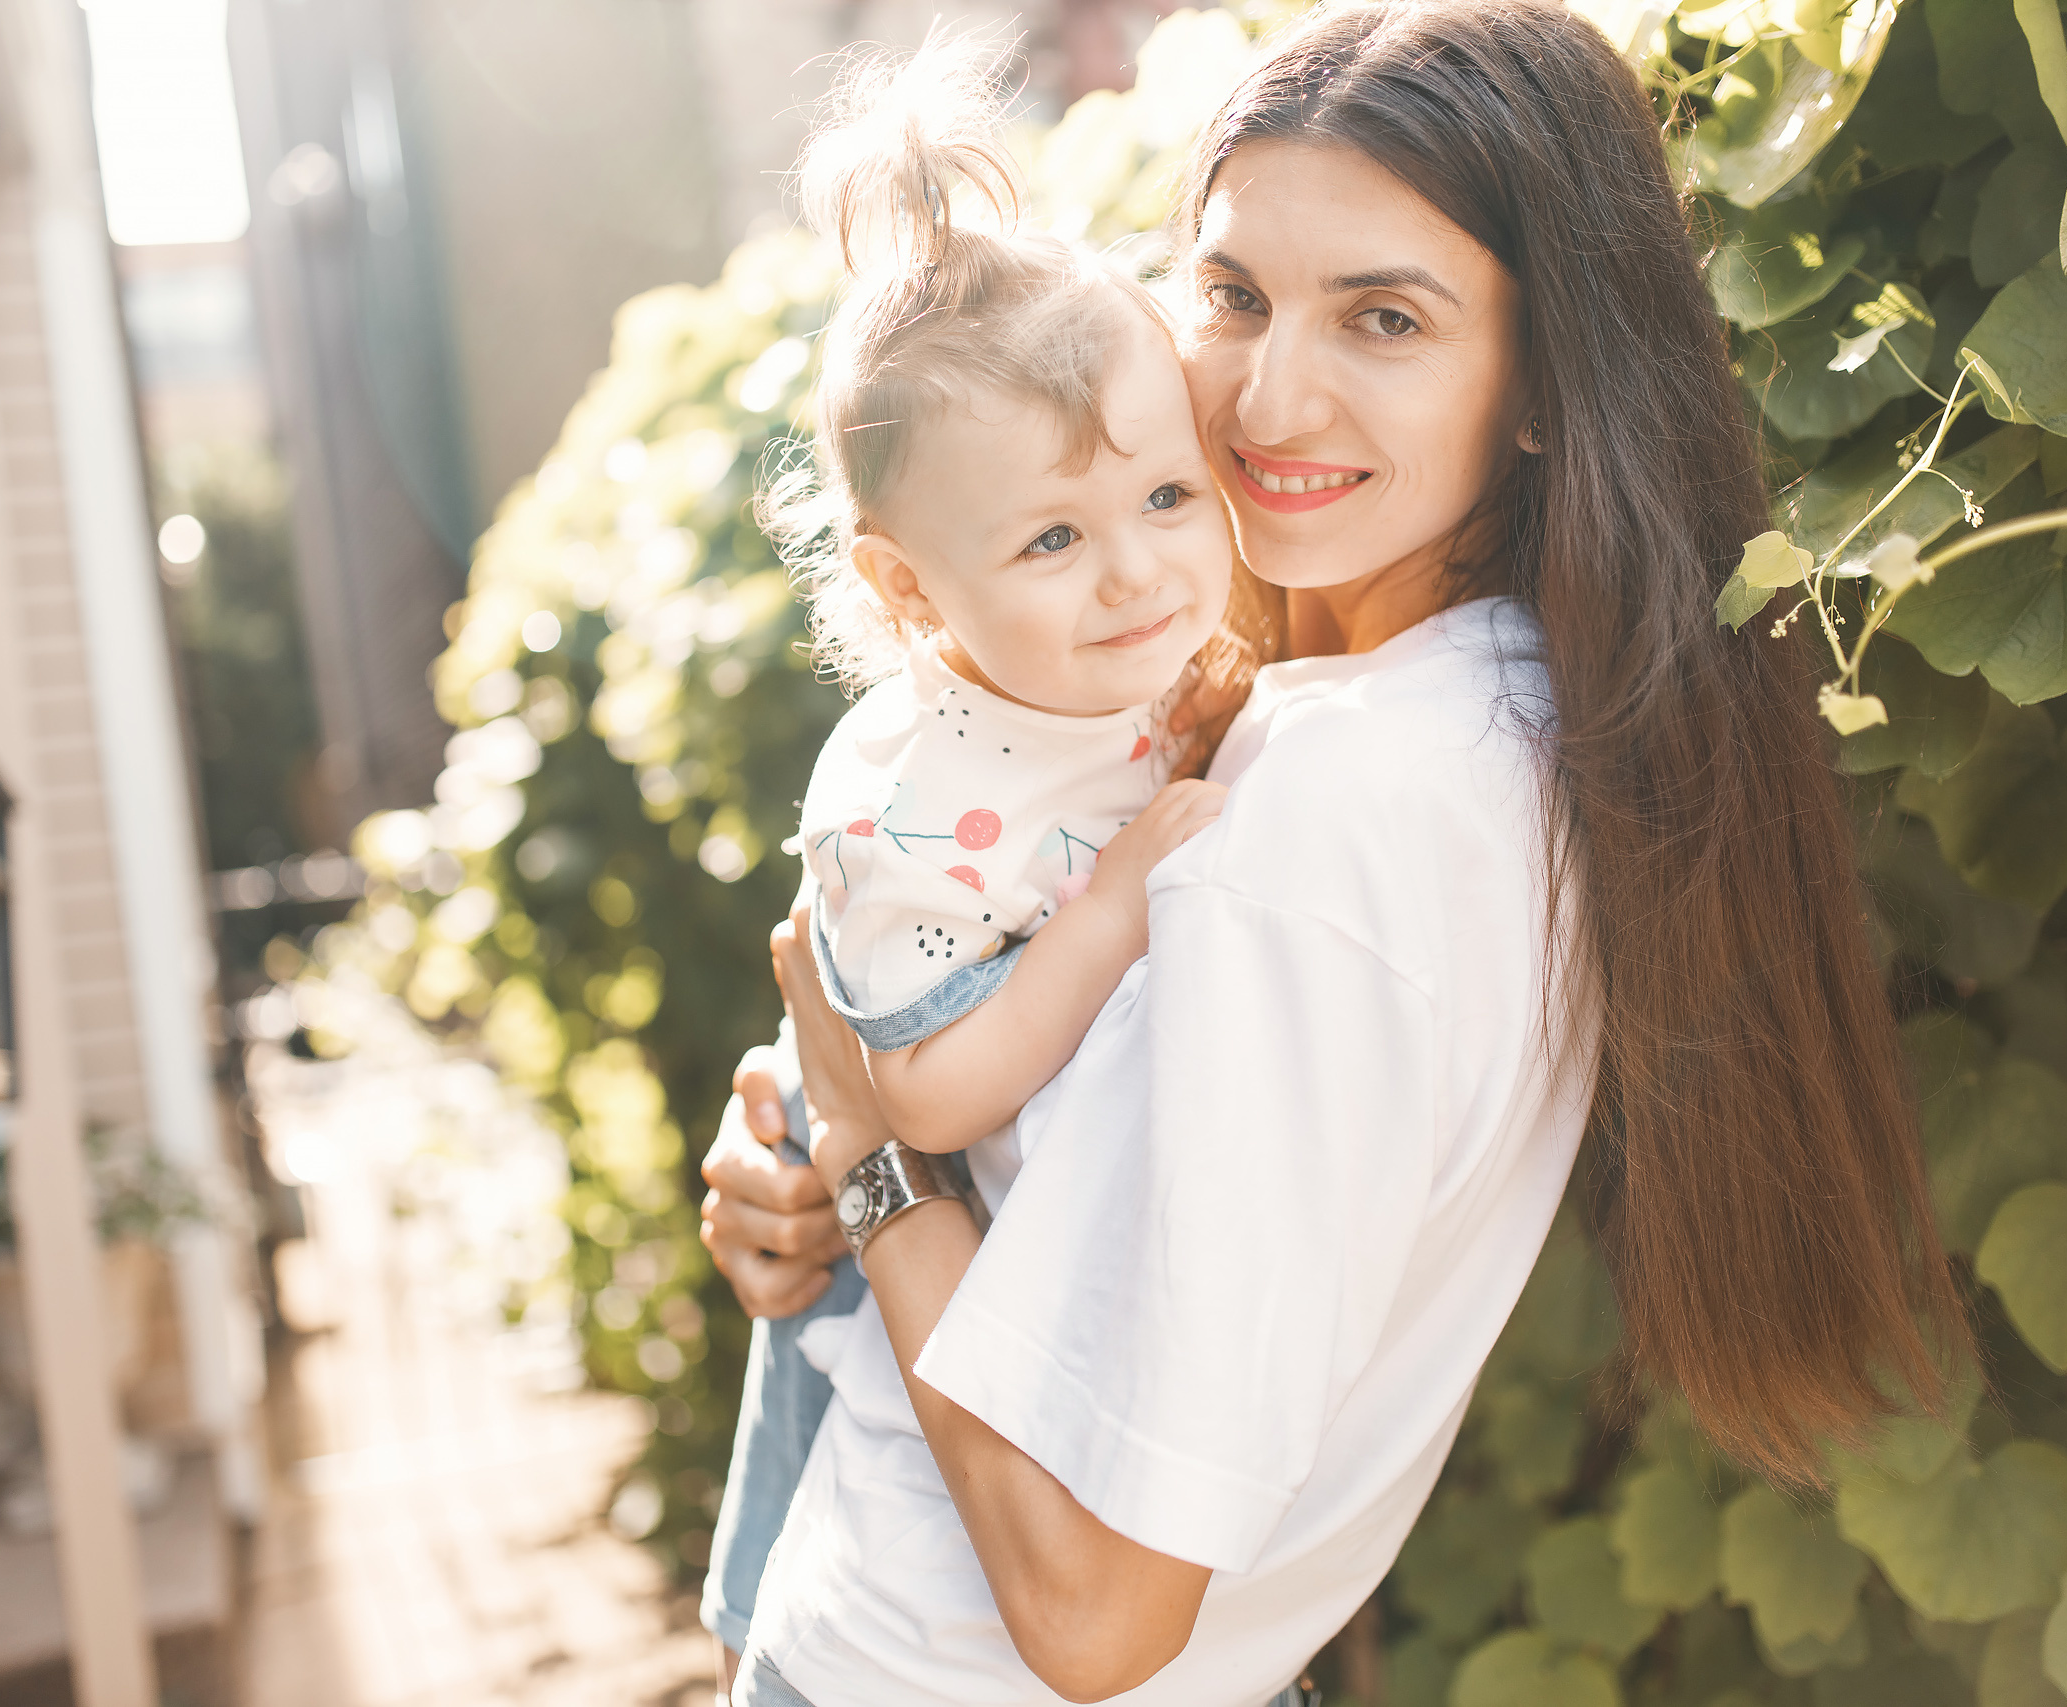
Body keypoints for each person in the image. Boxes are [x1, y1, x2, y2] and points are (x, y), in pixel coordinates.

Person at [702, 4, 1965, 1702]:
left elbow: (1094, 1617)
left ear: (1541, 385)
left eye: (1386, 316)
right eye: (1230, 296)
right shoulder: (1481, 716)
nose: (1266, 394)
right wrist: (822, 1150)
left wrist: (875, 1165)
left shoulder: (1328, 814)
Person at [695, 36, 1258, 1688]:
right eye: (1054, 540)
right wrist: (1112, 915)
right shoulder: (915, 810)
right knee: (815, 1404)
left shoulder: (1129, 672)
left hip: (959, 1316)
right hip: (904, 1307)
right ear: (914, 593)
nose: (1142, 574)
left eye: (1170, 493)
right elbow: (918, 1103)